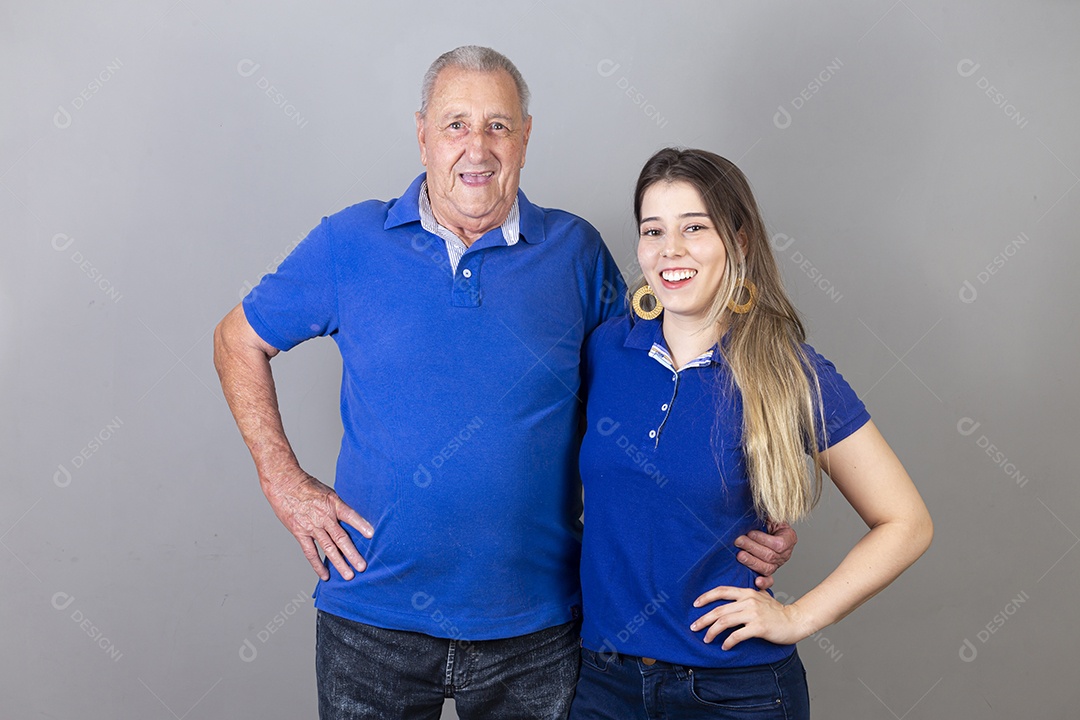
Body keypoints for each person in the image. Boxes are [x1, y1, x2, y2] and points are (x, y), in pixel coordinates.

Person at [214, 47, 793, 719]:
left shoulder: (576, 254)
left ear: (524, 137)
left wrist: (742, 512)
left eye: (497, 124)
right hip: (371, 618)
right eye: (456, 123)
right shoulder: (350, 242)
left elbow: (653, 395)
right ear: (422, 134)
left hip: (537, 628)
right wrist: (282, 480)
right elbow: (237, 340)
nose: (477, 147)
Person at [570, 148, 933, 719]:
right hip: (601, 684)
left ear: (738, 240)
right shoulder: (604, 351)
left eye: (695, 227)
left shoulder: (789, 370)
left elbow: (907, 523)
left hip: (735, 693)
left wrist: (797, 616)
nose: (671, 251)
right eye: (653, 231)